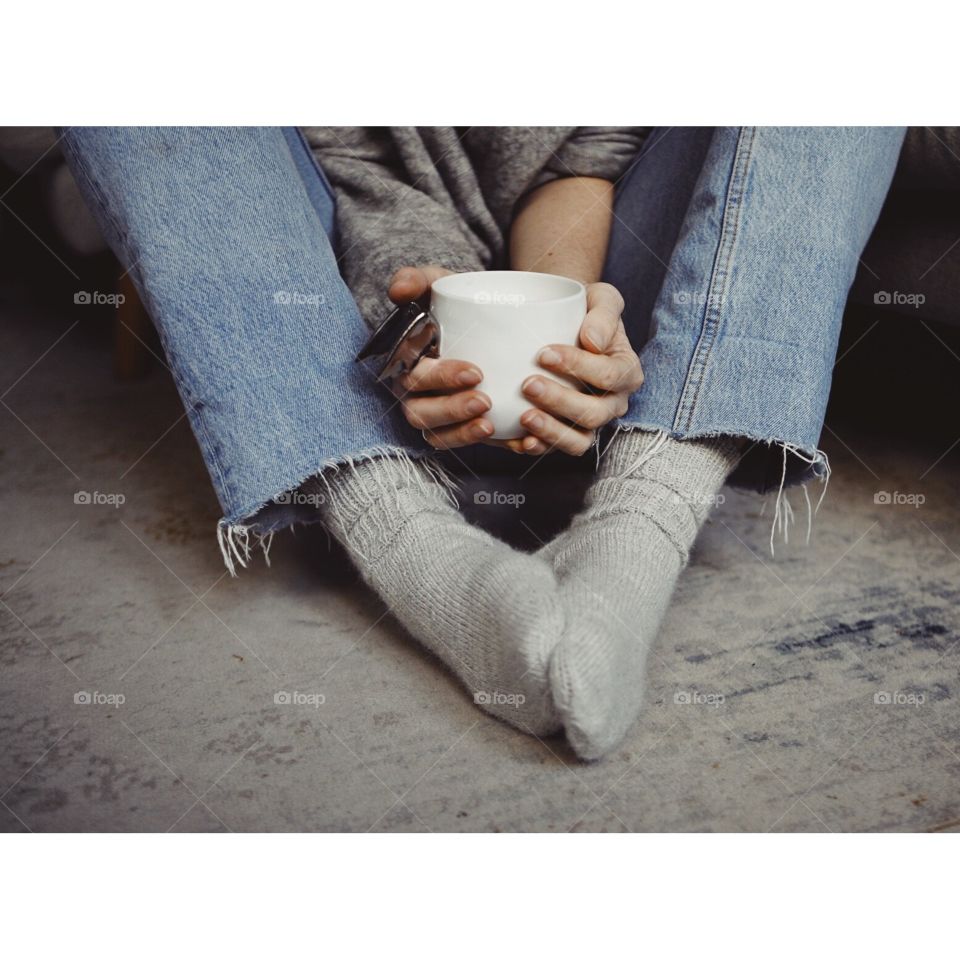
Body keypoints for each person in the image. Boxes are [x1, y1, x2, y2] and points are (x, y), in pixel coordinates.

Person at [61, 126, 905, 760]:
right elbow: (362, 180)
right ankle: (401, 533)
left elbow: (586, 158)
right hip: (348, 304)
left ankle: (647, 510)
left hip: (627, 287)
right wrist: (430, 320)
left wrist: (568, 324)